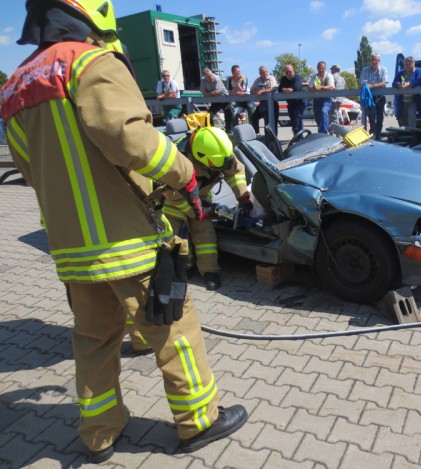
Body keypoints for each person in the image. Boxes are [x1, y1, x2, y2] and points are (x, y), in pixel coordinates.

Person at [0, 0, 247, 463]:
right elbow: (131, 138)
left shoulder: (14, 86)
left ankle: (99, 434)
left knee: (94, 339)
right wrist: (184, 174)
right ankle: (199, 421)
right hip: (124, 239)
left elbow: (29, 171)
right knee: (174, 328)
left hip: (71, 247)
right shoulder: (90, 62)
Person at [164, 127, 252, 291]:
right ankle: (182, 268)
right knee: (176, 237)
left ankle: (210, 272)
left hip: (201, 197)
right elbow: (174, 196)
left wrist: (243, 196)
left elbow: (235, 172)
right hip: (174, 202)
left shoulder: (217, 150)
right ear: (201, 158)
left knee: (205, 234)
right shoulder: (178, 161)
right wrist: (199, 211)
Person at [359, 54, 387, 139]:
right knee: (371, 115)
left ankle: (377, 135)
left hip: (380, 97)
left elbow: (384, 84)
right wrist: (366, 86)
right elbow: (360, 84)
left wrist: (371, 86)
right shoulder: (364, 70)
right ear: (370, 61)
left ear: (379, 61)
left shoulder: (383, 70)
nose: (374, 61)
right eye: (373, 60)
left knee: (380, 117)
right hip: (369, 97)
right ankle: (373, 133)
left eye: (376, 60)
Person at [392, 56, 421, 128]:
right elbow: (394, 83)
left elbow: (419, 81)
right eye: (406, 64)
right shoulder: (400, 73)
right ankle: (405, 135)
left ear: (413, 64)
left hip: (413, 100)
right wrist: (398, 85)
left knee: (411, 113)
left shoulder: (419, 71)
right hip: (402, 101)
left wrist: (410, 84)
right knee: (402, 120)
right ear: (404, 65)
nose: (408, 66)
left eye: (410, 64)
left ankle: (412, 133)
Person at [250, 65, 279, 135]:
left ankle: (273, 139)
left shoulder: (271, 78)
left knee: (272, 122)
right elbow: (251, 90)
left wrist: (262, 91)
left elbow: (273, 89)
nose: (265, 73)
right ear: (260, 73)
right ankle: (257, 134)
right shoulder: (257, 80)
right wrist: (257, 91)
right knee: (254, 116)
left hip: (273, 103)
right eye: (263, 72)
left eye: (266, 72)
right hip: (263, 103)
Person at [200, 67, 231, 132]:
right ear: (205, 77)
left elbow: (218, 92)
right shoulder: (203, 81)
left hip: (224, 98)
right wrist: (212, 93)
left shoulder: (217, 78)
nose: (211, 77)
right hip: (215, 101)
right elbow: (203, 94)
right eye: (208, 77)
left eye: (211, 75)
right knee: (208, 116)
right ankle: (212, 131)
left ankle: (229, 131)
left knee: (228, 113)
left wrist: (209, 93)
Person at [309, 61, 335, 133]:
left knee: (323, 112)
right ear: (317, 68)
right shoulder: (314, 76)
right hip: (316, 100)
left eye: (322, 68)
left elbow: (332, 87)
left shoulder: (329, 75)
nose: (321, 70)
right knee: (318, 119)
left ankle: (324, 134)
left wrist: (321, 87)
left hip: (326, 100)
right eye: (319, 68)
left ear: (325, 68)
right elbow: (309, 87)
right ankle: (322, 133)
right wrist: (314, 88)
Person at [278, 64, 305, 134]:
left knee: (297, 118)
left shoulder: (297, 77)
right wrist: (286, 89)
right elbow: (279, 89)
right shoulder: (283, 79)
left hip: (300, 102)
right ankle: (298, 137)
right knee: (293, 121)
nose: (288, 73)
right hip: (290, 104)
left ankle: (299, 138)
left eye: (289, 71)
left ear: (293, 71)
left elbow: (297, 87)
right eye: (286, 72)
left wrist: (286, 89)